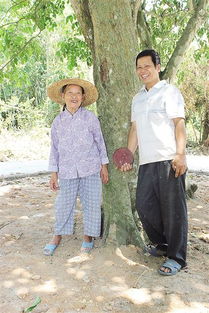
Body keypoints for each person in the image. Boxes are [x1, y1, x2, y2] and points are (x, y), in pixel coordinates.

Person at [120, 49, 188, 276]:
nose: (143, 71)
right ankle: (162, 244)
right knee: (144, 206)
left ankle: (176, 257)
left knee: (173, 210)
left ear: (157, 67)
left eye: (147, 66)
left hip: (169, 158)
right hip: (146, 162)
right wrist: (128, 155)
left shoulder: (170, 92)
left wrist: (180, 154)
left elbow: (179, 123)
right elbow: (135, 129)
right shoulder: (137, 98)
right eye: (139, 67)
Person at [44, 78, 109, 256]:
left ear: (83, 97)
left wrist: (104, 166)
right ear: (63, 96)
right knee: (64, 204)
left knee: (92, 203)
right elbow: (54, 148)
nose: (74, 97)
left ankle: (88, 237)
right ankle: (57, 236)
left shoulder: (90, 118)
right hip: (67, 170)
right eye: (70, 93)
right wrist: (53, 173)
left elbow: (99, 142)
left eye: (77, 93)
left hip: (90, 168)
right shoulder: (58, 122)